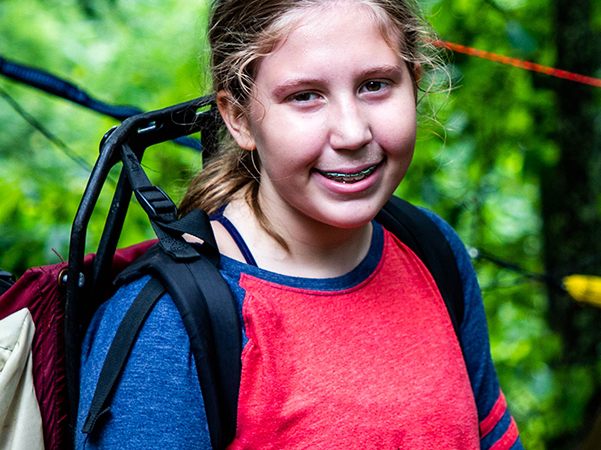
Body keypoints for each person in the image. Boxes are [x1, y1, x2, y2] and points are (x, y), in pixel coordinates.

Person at [75, 0, 523, 448]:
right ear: (238, 118)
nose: (352, 134)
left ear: (415, 83)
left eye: (374, 85)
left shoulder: (430, 249)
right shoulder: (171, 327)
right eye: (305, 96)